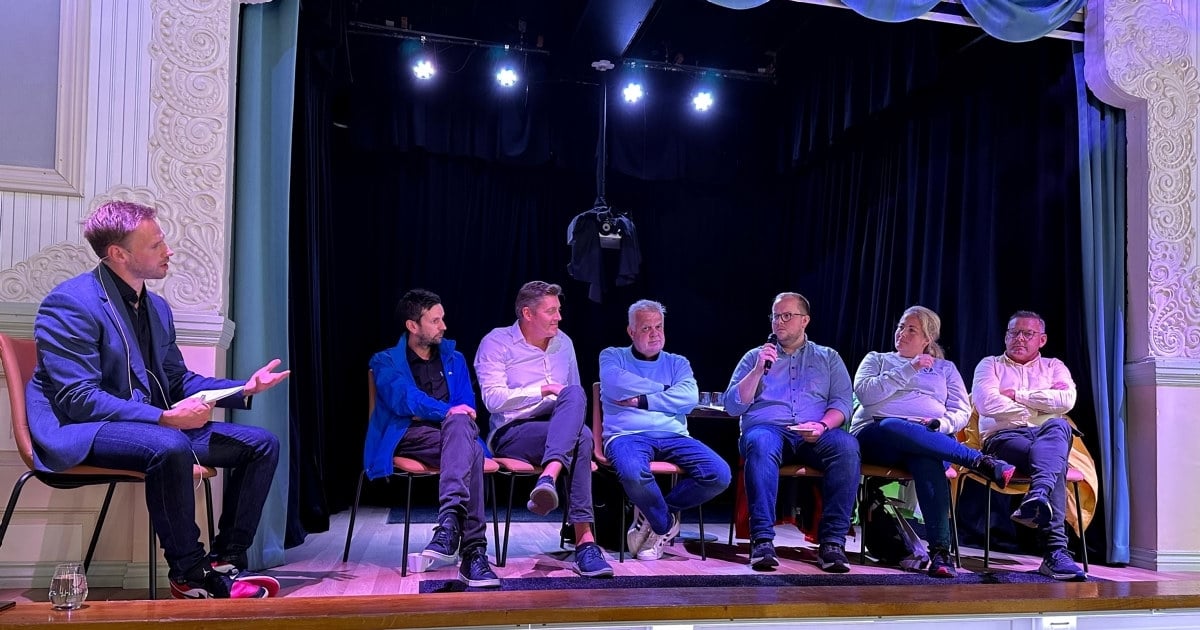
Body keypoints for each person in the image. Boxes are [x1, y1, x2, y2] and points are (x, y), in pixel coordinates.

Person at [25, 200, 288, 599]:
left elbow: (177, 380)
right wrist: (164, 419)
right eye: (156, 245)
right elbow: (78, 399)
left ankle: (225, 560)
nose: (169, 251)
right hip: (83, 428)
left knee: (262, 445)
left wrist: (243, 388)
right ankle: (189, 573)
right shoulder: (70, 303)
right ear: (119, 254)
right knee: (169, 445)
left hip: (148, 426)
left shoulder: (157, 307)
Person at [850, 305, 1015, 577]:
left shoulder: (945, 369)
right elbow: (866, 395)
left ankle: (940, 553)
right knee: (893, 424)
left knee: (926, 458)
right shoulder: (877, 359)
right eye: (900, 327)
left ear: (927, 339)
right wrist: (910, 368)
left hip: (927, 440)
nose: (902, 333)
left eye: (911, 330)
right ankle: (978, 460)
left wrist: (940, 425)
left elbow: (961, 410)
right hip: (877, 437)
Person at [474, 281, 613, 577]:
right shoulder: (497, 342)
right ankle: (585, 544)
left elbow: (574, 398)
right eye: (551, 311)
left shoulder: (565, 343)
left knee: (576, 400)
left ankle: (549, 477)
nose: (558, 317)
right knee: (582, 438)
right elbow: (493, 400)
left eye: (558, 310)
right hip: (512, 431)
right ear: (528, 313)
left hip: (558, 427)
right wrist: (543, 389)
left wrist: (560, 399)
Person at [363, 289, 499, 588]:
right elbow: (404, 400)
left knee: (463, 434)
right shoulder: (385, 361)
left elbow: (468, 409)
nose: (444, 326)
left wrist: (448, 415)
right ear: (413, 325)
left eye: (443, 319)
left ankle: (449, 526)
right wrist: (447, 411)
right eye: (435, 321)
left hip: (454, 435)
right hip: (408, 436)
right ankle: (474, 552)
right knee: (468, 447)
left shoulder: (455, 359)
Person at [723, 292, 860, 573]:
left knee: (847, 446)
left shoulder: (828, 358)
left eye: (787, 316)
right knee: (760, 442)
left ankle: (832, 543)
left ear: (804, 320)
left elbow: (842, 403)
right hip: (768, 429)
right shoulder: (755, 357)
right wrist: (758, 370)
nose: (779, 322)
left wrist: (822, 425)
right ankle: (762, 541)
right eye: (775, 316)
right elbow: (733, 406)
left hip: (815, 432)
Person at [598, 300, 731, 560]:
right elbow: (614, 384)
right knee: (633, 474)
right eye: (646, 328)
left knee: (719, 474)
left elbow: (689, 398)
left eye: (658, 326)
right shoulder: (613, 356)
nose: (655, 333)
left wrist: (641, 400)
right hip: (626, 435)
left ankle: (654, 516)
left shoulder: (677, 362)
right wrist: (665, 390)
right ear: (631, 331)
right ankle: (664, 524)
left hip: (674, 436)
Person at [971, 310, 1086, 581]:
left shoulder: (1054, 366)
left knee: (1059, 427)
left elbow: (1066, 401)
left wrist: (1017, 395)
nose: (1019, 339)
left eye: (1027, 333)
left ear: (1042, 340)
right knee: (1054, 462)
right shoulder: (990, 365)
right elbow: (986, 403)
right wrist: (1037, 410)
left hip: (1048, 436)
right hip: (1004, 439)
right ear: (1006, 337)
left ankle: (1039, 494)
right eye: (1014, 333)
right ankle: (1056, 552)